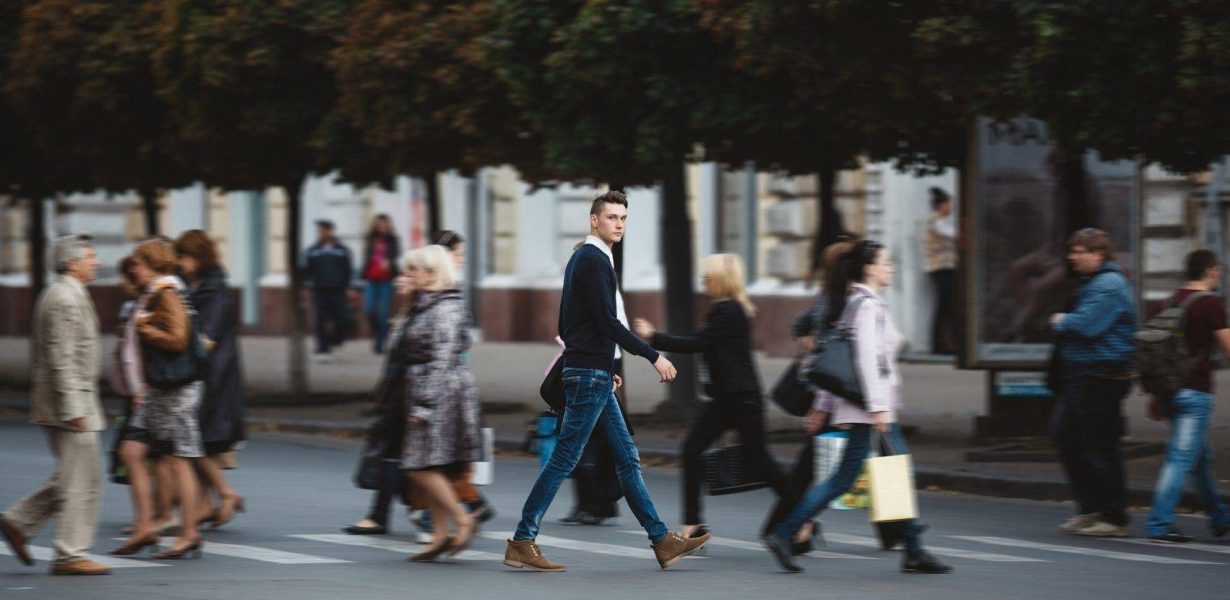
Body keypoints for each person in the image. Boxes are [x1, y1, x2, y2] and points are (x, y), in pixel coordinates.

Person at [504, 191, 707, 572]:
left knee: (627, 458)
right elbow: (608, 322)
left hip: (593, 372)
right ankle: (522, 540)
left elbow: (569, 324)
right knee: (565, 458)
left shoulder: (585, 258)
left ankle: (662, 540)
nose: (619, 224)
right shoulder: (594, 259)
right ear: (593, 220)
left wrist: (603, 362)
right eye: (612, 217)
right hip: (588, 375)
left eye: (624, 218)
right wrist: (653, 356)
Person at [762, 240, 951, 575]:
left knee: (861, 477)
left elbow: (839, 364)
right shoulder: (866, 307)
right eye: (886, 262)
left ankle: (912, 548)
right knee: (884, 477)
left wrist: (824, 404)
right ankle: (786, 533)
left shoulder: (858, 304)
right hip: (872, 408)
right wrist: (878, 408)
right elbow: (862, 360)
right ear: (870, 269)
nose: (891, 267)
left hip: (866, 406)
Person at [633, 253, 790, 540]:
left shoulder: (727, 311)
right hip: (733, 398)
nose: (705, 284)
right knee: (701, 451)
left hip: (739, 399)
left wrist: (655, 337)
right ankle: (693, 525)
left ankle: (800, 518)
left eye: (708, 278)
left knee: (759, 462)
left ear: (720, 281)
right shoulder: (730, 309)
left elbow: (698, 343)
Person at [0, 235, 110, 576]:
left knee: (72, 476)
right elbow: (60, 358)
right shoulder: (64, 298)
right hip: (70, 405)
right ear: (72, 263)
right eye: (90, 257)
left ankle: (18, 522)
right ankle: (70, 553)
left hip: (70, 402)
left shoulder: (66, 293)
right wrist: (74, 407)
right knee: (82, 481)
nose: (97, 262)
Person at [109, 238, 206, 559]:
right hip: (156, 390)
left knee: (176, 460)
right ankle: (146, 527)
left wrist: (144, 326)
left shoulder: (166, 293)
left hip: (174, 389)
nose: (132, 269)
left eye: (136, 263)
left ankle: (189, 533)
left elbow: (177, 339)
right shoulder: (155, 292)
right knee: (132, 451)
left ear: (151, 263)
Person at [1049, 228, 1137, 538]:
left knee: (1100, 446)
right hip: (1082, 376)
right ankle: (1089, 509)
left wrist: (1062, 320)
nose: (1072, 257)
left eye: (1079, 251)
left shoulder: (1110, 285)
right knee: (1066, 438)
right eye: (1072, 251)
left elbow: (1087, 326)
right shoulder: (1093, 283)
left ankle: (1114, 518)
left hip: (1101, 377)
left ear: (1098, 254)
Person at [399, 245, 483, 562]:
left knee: (418, 465)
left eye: (412, 270)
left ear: (432, 273)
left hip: (442, 395)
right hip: (429, 391)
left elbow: (442, 360)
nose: (407, 276)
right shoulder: (425, 303)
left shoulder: (446, 306)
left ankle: (462, 519)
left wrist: (424, 405)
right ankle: (438, 534)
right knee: (430, 465)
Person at [1145, 249, 1230, 543]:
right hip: (1195, 394)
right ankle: (1159, 522)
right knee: (1180, 458)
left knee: (1200, 459)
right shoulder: (1210, 304)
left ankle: (1219, 516)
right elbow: (1228, 347)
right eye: (1218, 269)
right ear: (1208, 270)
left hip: (1168, 392)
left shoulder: (1166, 303)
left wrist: (1155, 397)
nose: (1219, 274)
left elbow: (1156, 355)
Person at [175, 230, 246, 529]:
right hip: (207, 372)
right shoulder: (200, 285)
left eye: (185, 257)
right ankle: (206, 503)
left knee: (193, 441)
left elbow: (208, 338)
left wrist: (174, 346)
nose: (180, 263)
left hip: (214, 375)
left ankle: (226, 493)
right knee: (194, 440)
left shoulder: (215, 290)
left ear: (199, 257)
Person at [344, 253, 419, 535]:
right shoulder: (409, 309)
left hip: (408, 397)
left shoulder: (422, 311)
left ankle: (465, 508)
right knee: (394, 455)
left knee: (403, 457)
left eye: (408, 275)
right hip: (398, 395)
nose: (400, 280)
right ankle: (383, 514)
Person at [304, 219, 356, 362]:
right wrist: (306, 287)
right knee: (320, 320)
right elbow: (307, 271)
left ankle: (335, 340)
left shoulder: (341, 250)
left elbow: (348, 270)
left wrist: (350, 287)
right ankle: (323, 350)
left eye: (324, 230)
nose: (321, 233)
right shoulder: (313, 250)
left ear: (330, 231)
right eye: (319, 230)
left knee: (343, 319)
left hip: (338, 291)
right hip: (320, 290)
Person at [923, 187, 957, 355]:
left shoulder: (941, 220)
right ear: (941, 205)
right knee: (943, 307)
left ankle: (944, 343)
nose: (951, 207)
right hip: (939, 268)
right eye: (949, 204)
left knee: (947, 306)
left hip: (945, 268)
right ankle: (939, 345)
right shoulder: (935, 220)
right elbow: (950, 234)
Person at [362, 215, 401, 354]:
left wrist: (389, 261)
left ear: (388, 225)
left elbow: (396, 254)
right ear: (376, 225)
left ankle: (382, 342)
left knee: (384, 312)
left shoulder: (393, 239)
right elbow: (366, 257)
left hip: (386, 280)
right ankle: (377, 336)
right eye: (380, 224)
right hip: (371, 280)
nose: (382, 226)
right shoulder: (371, 239)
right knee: (369, 310)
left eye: (385, 224)